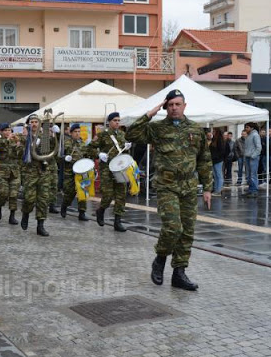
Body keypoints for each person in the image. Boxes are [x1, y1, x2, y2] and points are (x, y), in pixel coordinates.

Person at [125, 89, 213, 291]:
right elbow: (131, 133)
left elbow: (204, 160)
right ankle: (160, 259)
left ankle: (179, 274)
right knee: (173, 227)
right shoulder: (157, 128)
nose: (174, 108)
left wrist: (208, 188)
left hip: (189, 187)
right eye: (170, 104)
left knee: (187, 232)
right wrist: (151, 112)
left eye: (177, 104)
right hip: (166, 186)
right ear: (166, 106)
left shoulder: (196, 130)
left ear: (184, 106)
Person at [88, 112, 131, 232]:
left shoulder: (122, 134)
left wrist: (127, 148)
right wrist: (98, 154)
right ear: (109, 122)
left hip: (120, 168)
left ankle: (118, 221)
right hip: (107, 168)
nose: (117, 122)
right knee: (108, 195)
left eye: (118, 120)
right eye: (115, 120)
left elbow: (124, 153)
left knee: (121, 194)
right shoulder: (102, 135)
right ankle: (100, 210)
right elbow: (90, 148)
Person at [19, 114, 57, 236]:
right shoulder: (24, 138)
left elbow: (49, 153)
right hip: (30, 172)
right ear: (28, 124)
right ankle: (25, 214)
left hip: (43, 171)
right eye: (32, 122)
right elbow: (19, 154)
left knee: (43, 200)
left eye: (36, 122)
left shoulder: (44, 137)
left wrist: (54, 136)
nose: (34, 124)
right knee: (29, 199)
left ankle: (40, 226)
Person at [60, 123, 96, 220]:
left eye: (79, 131)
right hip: (70, 173)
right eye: (75, 132)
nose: (77, 133)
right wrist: (64, 158)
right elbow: (58, 157)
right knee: (69, 193)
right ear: (71, 133)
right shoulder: (66, 143)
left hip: (81, 172)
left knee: (83, 192)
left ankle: (82, 213)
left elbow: (87, 155)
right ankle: (64, 206)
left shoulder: (82, 143)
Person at [0, 123, 22, 224]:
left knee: (14, 195)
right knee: (3, 193)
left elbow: (21, 154)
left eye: (9, 130)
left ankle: (12, 216)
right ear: (0, 132)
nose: (8, 132)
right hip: (2, 172)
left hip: (14, 172)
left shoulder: (15, 141)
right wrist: (8, 140)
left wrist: (19, 145)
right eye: (5, 130)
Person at [243, 123, 262, 198]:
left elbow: (258, 147)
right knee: (249, 175)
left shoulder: (255, 135)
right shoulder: (249, 135)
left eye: (247, 127)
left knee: (253, 175)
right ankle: (251, 189)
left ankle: (254, 191)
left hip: (253, 157)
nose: (246, 129)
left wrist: (253, 155)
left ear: (252, 128)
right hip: (248, 156)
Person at [208, 129, 226, 196]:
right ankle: (216, 189)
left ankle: (218, 190)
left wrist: (216, 157)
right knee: (215, 176)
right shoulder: (214, 140)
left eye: (214, 131)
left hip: (218, 160)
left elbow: (222, 151)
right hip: (214, 160)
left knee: (219, 175)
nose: (212, 132)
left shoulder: (220, 140)